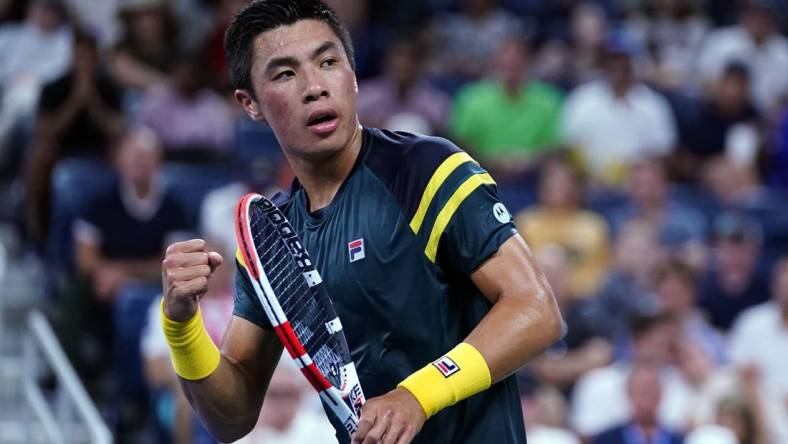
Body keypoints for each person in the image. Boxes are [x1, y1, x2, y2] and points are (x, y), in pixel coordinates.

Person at [159, 1, 563, 444]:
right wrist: (181, 327)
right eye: (285, 74)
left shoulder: (426, 171)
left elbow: (536, 311)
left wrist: (417, 396)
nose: (315, 86)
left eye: (328, 62)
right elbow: (231, 419)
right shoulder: (272, 239)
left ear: (353, 75)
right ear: (249, 103)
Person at [450, 36, 563, 176]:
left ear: (527, 63)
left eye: (516, 64)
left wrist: (530, 161)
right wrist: (489, 161)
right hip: (479, 174)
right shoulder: (471, 98)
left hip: (534, 177)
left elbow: (554, 146)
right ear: (496, 63)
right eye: (506, 65)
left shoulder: (548, 101)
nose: (511, 70)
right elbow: (460, 143)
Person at [591, 361, 684, 444]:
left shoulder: (679, 439)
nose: (647, 397)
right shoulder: (605, 440)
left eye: (651, 390)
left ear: (661, 393)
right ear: (628, 394)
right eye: (641, 391)